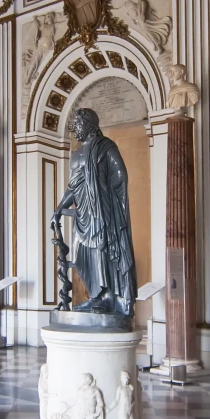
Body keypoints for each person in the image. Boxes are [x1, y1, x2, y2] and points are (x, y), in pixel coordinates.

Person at [52, 108, 137, 317]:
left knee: (101, 251)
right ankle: (95, 295)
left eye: (78, 125)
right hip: (83, 215)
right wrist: (59, 208)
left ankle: (106, 297)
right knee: (81, 255)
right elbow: (73, 187)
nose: (75, 129)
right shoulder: (76, 154)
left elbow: (120, 176)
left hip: (101, 211)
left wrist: (112, 201)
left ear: (89, 125)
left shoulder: (106, 147)